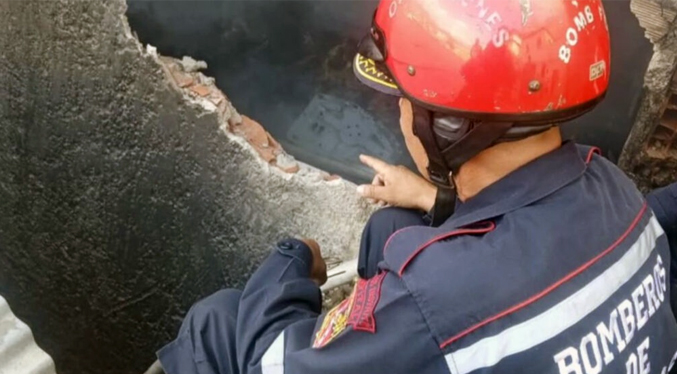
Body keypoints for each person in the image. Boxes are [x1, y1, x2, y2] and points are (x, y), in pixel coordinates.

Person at [154, 0, 677, 373]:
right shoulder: (615, 189)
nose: (399, 113)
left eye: (400, 100)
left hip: (430, 327)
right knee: (390, 228)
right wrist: (433, 196)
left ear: (446, 127)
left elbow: (268, 361)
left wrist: (290, 263)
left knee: (216, 325)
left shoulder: (436, 303)